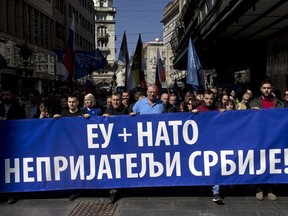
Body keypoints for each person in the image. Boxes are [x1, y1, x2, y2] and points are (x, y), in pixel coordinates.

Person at [249, 79, 284, 201]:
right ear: (260, 89)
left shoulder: (280, 103)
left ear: (272, 89)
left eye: (268, 88)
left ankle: (269, 188)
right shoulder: (254, 103)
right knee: (260, 162)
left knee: (271, 163)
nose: (266, 90)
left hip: (274, 137)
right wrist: (252, 112)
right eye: (264, 88)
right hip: (259, 137)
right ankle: (259, 188)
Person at [53, 94, 90, 201]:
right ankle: (73, 190)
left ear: (78, 102)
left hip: (80, 146)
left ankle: (80, 187)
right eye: (69, 102)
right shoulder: (63, 114)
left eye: (73, 102)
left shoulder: (83, 113)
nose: (71, 104)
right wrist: (56, 119)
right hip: (68, 147)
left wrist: (87, 118)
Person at [192, 90, 223, 205]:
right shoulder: (199, 110)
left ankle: (216, 192)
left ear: (214, 98)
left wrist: (224, 114)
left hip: (215, 144)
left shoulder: (217, 110)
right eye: (207, 98)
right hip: (202, 143)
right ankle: (203, 187)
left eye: (211, 98)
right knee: (203, 166)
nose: (209, 100)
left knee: (215, 167)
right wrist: (192, 114)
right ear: (203, 99)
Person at [0, 87, 26, 204]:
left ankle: (12, 193)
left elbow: (23, 123)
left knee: (11, 168)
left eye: (8, 94)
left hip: (13, 142)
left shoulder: (18, 108)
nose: (6, 97)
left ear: (12, 95)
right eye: (4, 94)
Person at [103, 92, 129, 203]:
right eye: (113, 100)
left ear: (121, 100)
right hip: (111, 146)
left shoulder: (126, 110)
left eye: (118, 100)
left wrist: (132, 117)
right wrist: (103, 119)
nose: (116, 102)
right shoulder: (107, 111)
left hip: (124, 145)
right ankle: (113, 192)